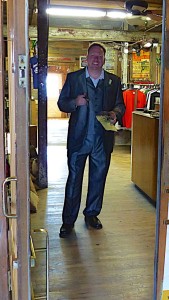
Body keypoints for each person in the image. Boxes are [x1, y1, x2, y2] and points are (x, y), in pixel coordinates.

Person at [57, 43, 125, 238]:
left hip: (102, 140)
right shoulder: (74, 78)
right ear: (86, 58)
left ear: (104, 59)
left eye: (100, 56)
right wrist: (74, 103)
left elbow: (120, 104)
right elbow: (61, 103)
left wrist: (116, 113)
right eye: (93, 55)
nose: (96, 59)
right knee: (73, 180)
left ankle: (92, 214)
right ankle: (68, 221)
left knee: (98, 179)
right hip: (79, 139)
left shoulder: (113, 81)